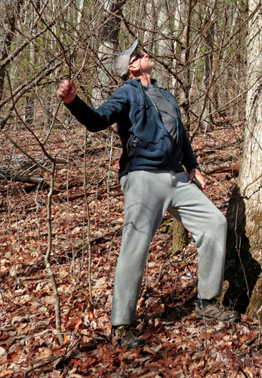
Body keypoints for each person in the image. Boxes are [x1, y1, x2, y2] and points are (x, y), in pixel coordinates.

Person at [57, 39, 239, 349]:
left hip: (177, 177)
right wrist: (74, 102)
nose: (147, 54)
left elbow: (181, 135)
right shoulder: (127, 92)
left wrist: (192, 166)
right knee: (135, 245)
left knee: (214, 224)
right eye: (141, 54)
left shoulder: (166, 95)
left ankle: (207, 301)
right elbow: (98, 120)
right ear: (132, 66)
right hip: (142, 176)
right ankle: (122, 323)